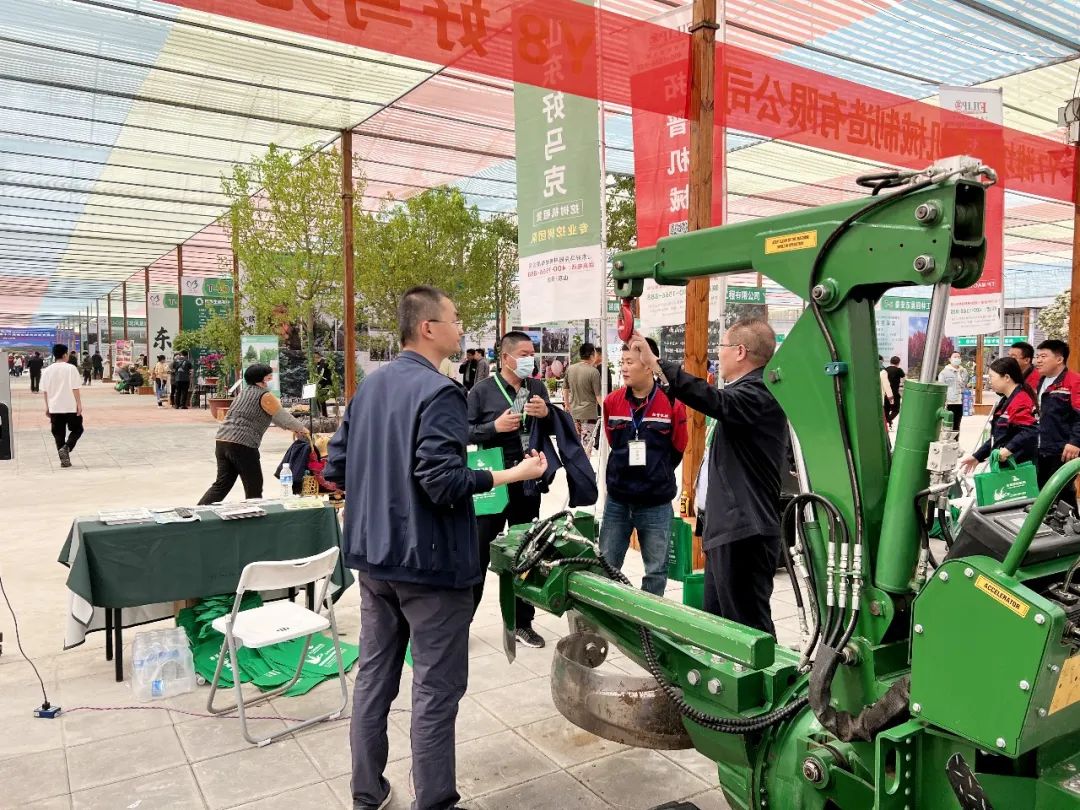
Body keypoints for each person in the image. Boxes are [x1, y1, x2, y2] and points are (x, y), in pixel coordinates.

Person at [323, 286, 547, 810]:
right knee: (435, 689)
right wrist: (511, 473)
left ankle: (367, 792)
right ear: (428, 327)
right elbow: (442, 481)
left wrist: (384, 495)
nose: (460, 327)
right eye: (454, 318)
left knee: (375, 678)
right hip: (429, 565)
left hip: (375, 559)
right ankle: (436, 801)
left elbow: (336, 467)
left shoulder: (369, 388)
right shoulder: (441, 392)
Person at [630, 320, 786, 636]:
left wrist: (657, 363)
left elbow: (712, 399)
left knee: (747, 631)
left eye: (721, 347)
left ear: (740, 351)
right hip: (729, 528)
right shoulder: (745, 392)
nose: (718, 354)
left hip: (744, 532)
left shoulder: (759, 394)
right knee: (720, 627)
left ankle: (760, 671)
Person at [468, 330, 554, 648]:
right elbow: (462, 431)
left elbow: (551, 427)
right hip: (492, 482)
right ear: (505, 358)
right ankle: (460, 624)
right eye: (524, 354)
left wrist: (547, 414)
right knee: (477, 553)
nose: (530, 359)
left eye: (533, 353)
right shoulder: (482, 391)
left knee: (525, 553)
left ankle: (522, 622)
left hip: (527, 481)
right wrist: (493, 427)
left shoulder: (536, 387)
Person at [600, 339, 687, 595]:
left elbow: (679, 446)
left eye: (630, 362)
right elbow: (612, 440)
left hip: (656, 502)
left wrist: (656, 473)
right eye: (622, 362)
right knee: (607, 566)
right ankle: (609, 613)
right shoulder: (612, 402)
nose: (624, 368)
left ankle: (647, 619)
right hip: (618, 500)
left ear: (649, 365)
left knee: (656, 570)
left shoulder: (672, 404)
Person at [197, 363, 309, 504]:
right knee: (254, 486)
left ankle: (199, 511)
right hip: (243, 444)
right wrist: (304, 430)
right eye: (269, 376)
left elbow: (274, 417)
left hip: (222, 441)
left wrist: (294, 429)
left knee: (222, 484)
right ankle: (255, 514)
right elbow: (283, 417)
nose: (270, 379)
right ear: (261, 379)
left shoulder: (244, 392)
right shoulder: (265, 395)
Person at [959, 357, 1038, 474]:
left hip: (1018, 467)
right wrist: (977, 456)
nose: (989, 381)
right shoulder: (1006, 400)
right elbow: (998, 437)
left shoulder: (1020, 400)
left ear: (1006, 377)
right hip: (1006, 466)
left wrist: (1007, 450)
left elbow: (1030, 431)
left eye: (992, 377)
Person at [1034, 339, 1080, 512]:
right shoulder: (1042, 381)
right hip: (1042, 447)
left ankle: (1073, 526)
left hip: (1064, 449)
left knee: (1062, 492)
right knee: (1044, 492)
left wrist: (1075, 442)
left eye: (1043, 356)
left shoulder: (1074, 381)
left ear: (1059, 359)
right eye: (1037, 356)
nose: (1038, 360)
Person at [40, 344, 84, 469]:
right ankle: (67, 447)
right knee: (78, 429)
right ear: (65, 354)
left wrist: (47, 407)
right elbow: (75, 388)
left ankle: (64, 460)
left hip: (55, 407)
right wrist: (79, 404)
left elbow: (45, 391)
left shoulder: (47, 370)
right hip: (70, 406)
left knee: (58, 434)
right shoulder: (71, 368)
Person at [566, 342, 602, 455]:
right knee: (587, 445)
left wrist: (567, 404)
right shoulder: (594, 372)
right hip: (589, 413)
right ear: (591, 355)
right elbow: (598, 396)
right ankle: (585, 466)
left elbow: (565, 388)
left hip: (574, 413)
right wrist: (607, 409)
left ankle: (577, 465)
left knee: (576, 445)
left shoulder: (570, 369)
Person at [937, 351, 968, 434]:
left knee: (957, 424)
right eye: (955, 357)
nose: (957, 359)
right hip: (949, 402)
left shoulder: (964, 371)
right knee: (948, 424)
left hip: (960, 401)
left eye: (959, 357)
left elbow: (964, 384)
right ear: (950, 359)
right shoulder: (944, 373)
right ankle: (947, 439)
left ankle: (955, 440)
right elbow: (941, 388)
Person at [884, 356, 905, 427]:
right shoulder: (899, 370)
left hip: (886, 393)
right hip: (894, 394)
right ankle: (888, 420)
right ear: (898, 362)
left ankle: (886, 423)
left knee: (886, 410)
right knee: (895, 410)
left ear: (890, 362)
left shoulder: (885, 370)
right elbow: (904, 378)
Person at [314, 351, 334, 416]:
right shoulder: (319, 364)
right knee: (318, 398)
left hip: (326, 385)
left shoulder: (323, 364)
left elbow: (322, 376)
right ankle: (322, 414)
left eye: (314, 358)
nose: (313, 360)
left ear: (317, 357)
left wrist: (318, 383)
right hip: (322, 384)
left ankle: (323, 414)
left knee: (319, 398)